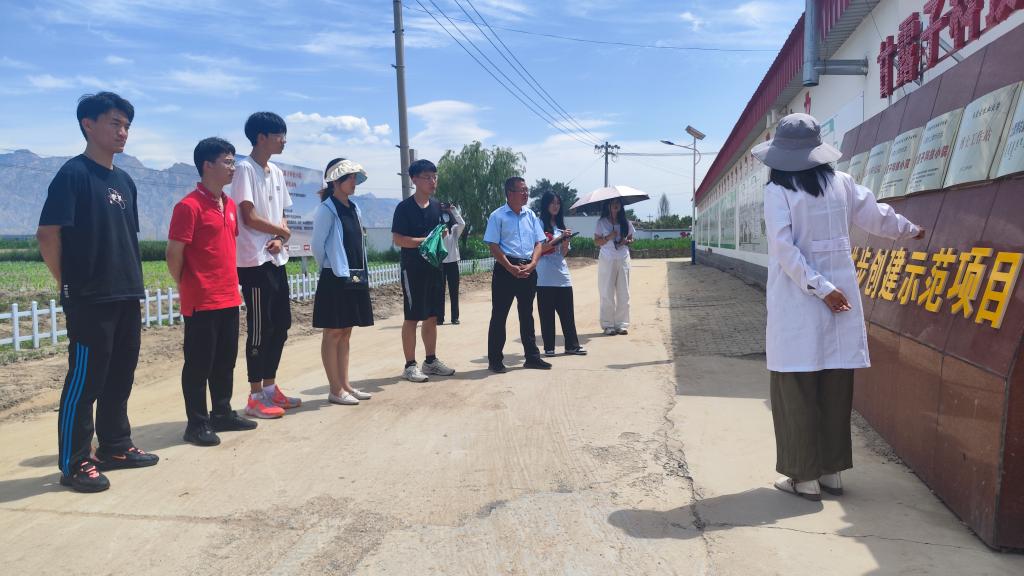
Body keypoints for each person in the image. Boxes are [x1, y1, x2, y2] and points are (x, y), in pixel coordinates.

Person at [752, 113, 925, 501]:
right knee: (834, 387)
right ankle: (831, 474)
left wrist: (820, 287)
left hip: (799, 302)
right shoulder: (842, 183)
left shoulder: (778, 190)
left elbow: (784, 250)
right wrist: (911, 230)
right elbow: (877, 216)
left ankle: (804, 479)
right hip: (840, 303)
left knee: (796, 388)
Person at [36, 92, 159, 492]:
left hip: (125, 293)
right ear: (88, 124)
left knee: (120, 375)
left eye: (127, 126)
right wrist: (68, 283)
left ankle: (115, 447)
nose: (123, 132)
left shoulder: (125, 181)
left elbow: (123, 237)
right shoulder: (73, 174)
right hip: (90, 297)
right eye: (114, 123)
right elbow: (48, 234)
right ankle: (74, 463)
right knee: (85, 382)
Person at [167, 137, 256, 446]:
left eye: (233, 162)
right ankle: (196, 423)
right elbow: (174, 254)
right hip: (202, 300)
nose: (233, 168)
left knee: (224, 361)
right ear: (207, 165)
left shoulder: (229, 205)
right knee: (198, 364)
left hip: (229, 296)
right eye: (227, 162)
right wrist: (189, 284)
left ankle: (221, 413)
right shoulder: (188, 206)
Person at [227, 111, 300, 419]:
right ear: (261, 137)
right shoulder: (244, 169)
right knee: (260, 327)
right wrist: (280, 233)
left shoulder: (277, 172)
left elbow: (281, 214)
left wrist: (281, 238)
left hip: (275, 257)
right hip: (253, 261)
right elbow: (248, 216)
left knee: (281, 324)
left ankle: (270, 388)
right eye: (279, 135)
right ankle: (255, 394)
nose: (284, 140)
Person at [311, 158, 375, 406]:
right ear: (336, 181)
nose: (354, 182)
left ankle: (345, 385)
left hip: (354, 275)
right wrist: (331, 266)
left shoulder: (354, 207)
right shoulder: (326, 210)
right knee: (333, 332)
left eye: (355, 178)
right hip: (334, 276)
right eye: (349, 178)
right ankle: (335, 389)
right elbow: (318, 246)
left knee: (346, 331)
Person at [390, 159, 457, 382]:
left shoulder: (438, 207)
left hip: (435, 268)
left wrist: (440, 236)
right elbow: (399, 239)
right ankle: (410, 365)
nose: (432, 181)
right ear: (414, 180)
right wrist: (426, 240)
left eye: (435, 177)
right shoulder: (404, 208)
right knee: (412, 317)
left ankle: (431, 361)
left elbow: (444, 232)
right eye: (427, 177)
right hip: (413, 269)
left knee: (432, 316)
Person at [484, 177, 551, 373]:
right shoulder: (497, 216)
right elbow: (493, 245)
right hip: (506, 269)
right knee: (499, 315)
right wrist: (509, 266)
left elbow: (539, 242)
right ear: (510, 193)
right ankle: (495, 360)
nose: (526, 194)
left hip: (528, 267)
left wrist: (533, 263)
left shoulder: (530, 215)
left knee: (527, 314)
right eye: (522, 190)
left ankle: (532, 357)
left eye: (526, 190)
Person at [536, 192, 586, 357]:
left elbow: (563, 253)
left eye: (558, 203)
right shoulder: (538, 224)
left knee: (567, 314)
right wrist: (559, 239)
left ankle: (572, 345)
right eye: (552, 203)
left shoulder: (561, 226)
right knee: (547, 315)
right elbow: (540, 249)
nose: (555, 206)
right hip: (544, 277)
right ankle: (549, 347)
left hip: (562, 275)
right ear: (545, 205)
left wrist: (566, 242)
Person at [594, 198, 636, 335]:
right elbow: (596, 241)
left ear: (621, 205)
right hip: (607, 258)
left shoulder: (626, 222)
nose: (615, 205)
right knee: (606, 291)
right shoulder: (601, 222)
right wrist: (608, 237)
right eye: (613, 203)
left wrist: (626, 241)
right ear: (608, 205)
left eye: (618, 203)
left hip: (623, 258)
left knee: (624, 292)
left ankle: (622, 324)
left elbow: (631, 238)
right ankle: (608, 325)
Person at [438, 203, 465, 325]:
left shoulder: (454, 230)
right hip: (440, 263)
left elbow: (462, 224)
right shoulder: (438, 230)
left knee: (454, 291)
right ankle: (440, 317)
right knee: (440, 291)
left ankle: (455, 317)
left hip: (453, 262)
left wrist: (453, 210)